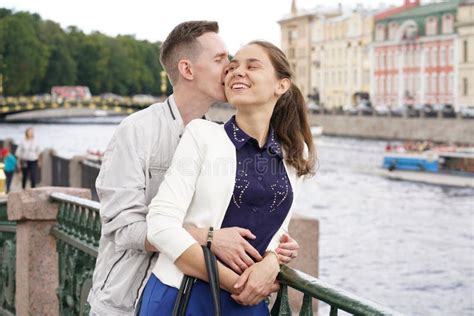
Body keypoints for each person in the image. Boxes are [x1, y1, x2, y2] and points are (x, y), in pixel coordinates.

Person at [88, 21, 299, 316]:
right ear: (188, 70)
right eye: (221, 60)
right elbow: (123, 228)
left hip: (204, 293)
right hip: (129, 296)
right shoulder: (138, 130)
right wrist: (206, 236)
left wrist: (275, 254)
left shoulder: (218, 137)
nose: (230, 69)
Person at [141, 41, 316, 315]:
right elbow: (160, 225)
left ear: (281, 85)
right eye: (232, 67)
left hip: (248, 303)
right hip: (184, 297)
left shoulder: (293, 152)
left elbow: (277, 230)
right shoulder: (202, 135)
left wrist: (271, 262)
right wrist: (236, 283)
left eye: (252, 66)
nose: (237, 71)